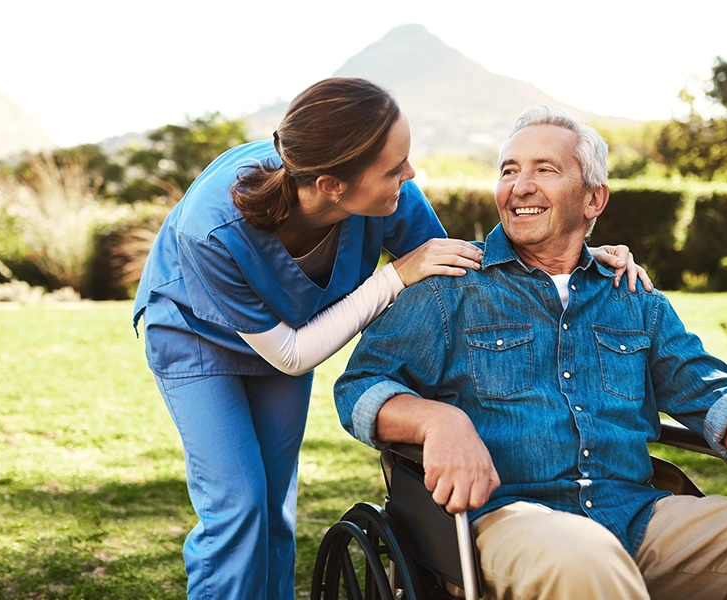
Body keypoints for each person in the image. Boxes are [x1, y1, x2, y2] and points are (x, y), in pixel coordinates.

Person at [132, 79, 648, 600]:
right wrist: (392, 277)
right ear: (334, 185)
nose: (410, 173)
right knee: (237, 508)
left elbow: (471, 277)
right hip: (199, 337)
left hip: (292, 332)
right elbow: (291, 355)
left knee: (273, 510)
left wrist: (578, 257)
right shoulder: (213, 230)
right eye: (394, 167)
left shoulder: (390, 194)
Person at [334, 105, 727, 599]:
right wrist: (438, 421)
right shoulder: (450, 289)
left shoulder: (634, 298)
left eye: (545, 170)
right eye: (509, 170)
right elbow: (359, 387)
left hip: (637, 515)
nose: (521, 185)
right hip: (505, 518)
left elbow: (716, 392)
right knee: (585, 561)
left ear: (594, 199)